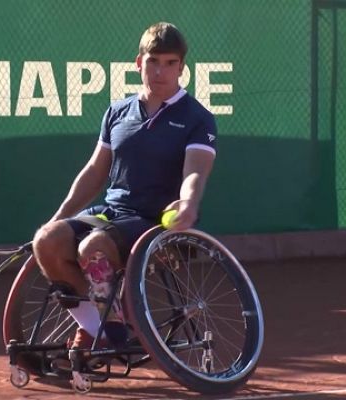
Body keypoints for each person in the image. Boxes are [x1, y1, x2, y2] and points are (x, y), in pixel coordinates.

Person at [32, 22, 217, 350]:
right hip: (113, 212)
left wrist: (188, 203)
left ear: (181, 68)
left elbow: (195, 173)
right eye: (153, 62)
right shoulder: (117, 111)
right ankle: (99, 328)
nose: (160, 71)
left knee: (94, 247)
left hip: (155, 220)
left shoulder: (197, 117)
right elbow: (94, 171)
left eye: (170, 63)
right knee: (46, 241)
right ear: (138, 63)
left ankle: (108, 331)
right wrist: (58, 217)